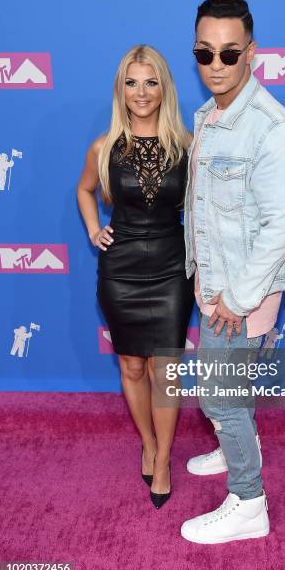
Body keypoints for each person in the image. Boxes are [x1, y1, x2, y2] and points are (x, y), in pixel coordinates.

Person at [181, 0, 285, 543]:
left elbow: (282, 227)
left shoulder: (273, 128)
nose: (215, 63)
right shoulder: (208, 116)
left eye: (229, 53)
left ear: (251, 53)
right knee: (228, 389)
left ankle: (249, 501)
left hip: (241, 292)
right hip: (215, 281)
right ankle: (234, 443)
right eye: (204, 52)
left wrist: (236, 297)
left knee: (218, 394)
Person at [77, 45, 194, 509]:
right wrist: (92, 228)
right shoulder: (103, 147)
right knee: (131, 366)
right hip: (120, 268)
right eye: (131, 82)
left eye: (150, 81)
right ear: (120, 89)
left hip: (170, 266)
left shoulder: (187, 144)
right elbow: (85, 190)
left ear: (164, 86)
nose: (141, 92)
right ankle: (147, 440)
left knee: (165, 369)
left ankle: (163, 457)